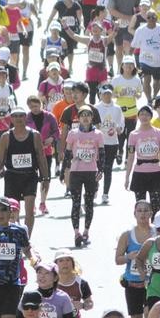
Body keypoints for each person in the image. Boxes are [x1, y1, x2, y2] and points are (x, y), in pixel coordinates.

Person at [0, 105, 47, 236]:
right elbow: (0, 158)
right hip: (12, 176)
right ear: (11, 119)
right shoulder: (6, 136)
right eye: (15, 116)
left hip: (30, 176)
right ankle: (15, 236)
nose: (18, 118)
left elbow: (41, 157)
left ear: (25, 117)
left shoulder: (34, 135)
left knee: (29, 211)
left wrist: (45, 178)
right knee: (11, 211)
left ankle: (26, 238)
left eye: (21, 115)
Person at [115, 200, 155, 318]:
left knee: (150, 316)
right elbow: (117, 259)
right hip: (133, 283)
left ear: (151, 213)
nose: (142, 214)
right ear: (134, 214)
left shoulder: (158, 233)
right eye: (139, 210)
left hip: (152, 283)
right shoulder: (127, 235)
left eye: (146, 210)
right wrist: (128, 257)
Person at [65, 105, 104, 247]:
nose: (85, 118)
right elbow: (67, 153)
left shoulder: (98, 134)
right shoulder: (73, 133)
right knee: (75, 203)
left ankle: (86, 231)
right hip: (76, 172)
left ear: (92, 118)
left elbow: (102, 153)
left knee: (89, 203)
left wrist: (101, 170)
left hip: (91, 172)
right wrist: (64, 171)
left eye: (88, 115)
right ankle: (76, 233)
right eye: (83, 115)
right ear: (78, 118)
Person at [126, 105, 160, 210]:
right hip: (139, 173)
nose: (144, 117)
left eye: (147, 114)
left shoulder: (159, 133)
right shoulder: (133, 134)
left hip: (156, 172)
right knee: (141, 207)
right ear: (138, 117)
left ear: (151, 116)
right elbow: (131, 156)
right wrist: (127, 177)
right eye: (142, 114)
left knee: (156, 206)